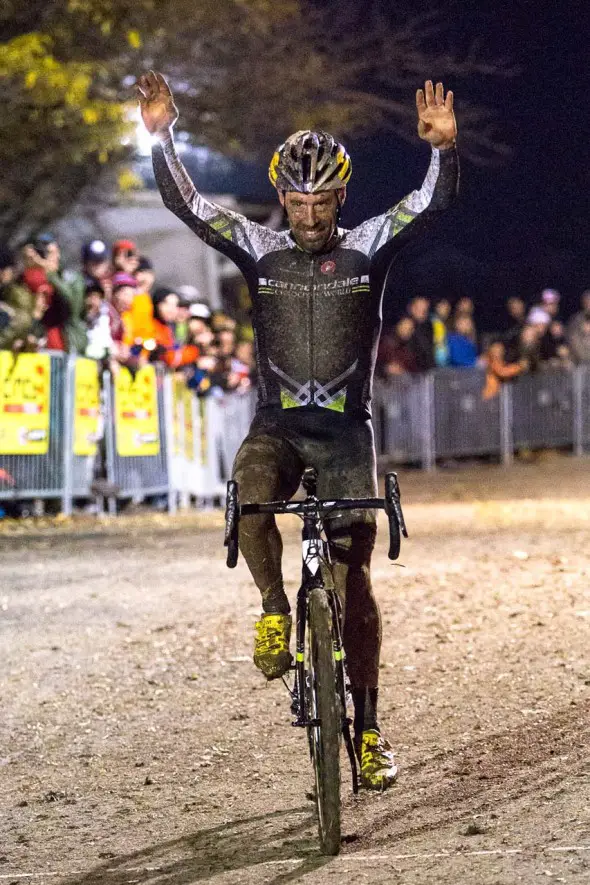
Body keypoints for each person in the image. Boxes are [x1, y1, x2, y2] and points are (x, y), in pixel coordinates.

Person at [138, 69, 458, 789]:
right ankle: (275, 609)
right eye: (297, 198)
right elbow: (189, 208)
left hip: (346, 436)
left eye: (321, 199)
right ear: (282, 197)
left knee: (355, 585)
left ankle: (369, 728)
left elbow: (429, 207)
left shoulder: (369, 244)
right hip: (278, 426)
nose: (309, 212)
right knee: (249, 490)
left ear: (340, 197)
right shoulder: (259, 247)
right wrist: (162, 138)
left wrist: (442, 152)